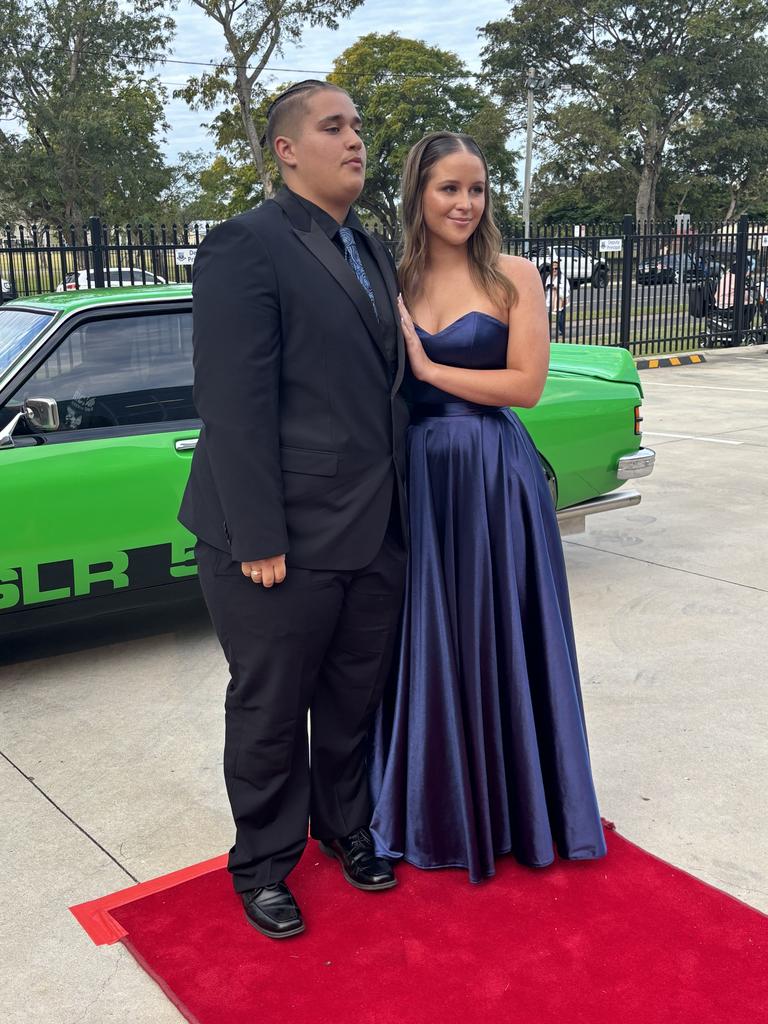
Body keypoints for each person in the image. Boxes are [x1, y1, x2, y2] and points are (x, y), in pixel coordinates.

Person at [179, 80, 409, 939]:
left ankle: (346, 829)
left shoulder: (370, 248)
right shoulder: (247, 245)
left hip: (375, 528)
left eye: (358, 124)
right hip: (277, 539)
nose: (355, 139)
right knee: (272, 709)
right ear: (285, 149)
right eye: (334, 126)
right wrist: (258, 535)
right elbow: (233, 403)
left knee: (353, 699)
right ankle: (264, 864)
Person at [369, 131, 607, 883]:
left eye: (476, 189)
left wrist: (429, 365)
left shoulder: (514, 276)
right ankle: (435, 806)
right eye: (449, 188)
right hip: (422, 481)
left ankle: (522, 807)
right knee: (430, 638)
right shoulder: (394, 278)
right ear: (419, 194)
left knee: (504, 630)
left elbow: (525, 385)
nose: (466, 203)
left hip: (494, 475)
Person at [544, 256, 570, 339]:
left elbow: (567, 287)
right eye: (553, 268)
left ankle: (561, 331)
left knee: (560, 318)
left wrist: (557, 287)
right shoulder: (549, 277)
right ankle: (547, 332)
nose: (554, 270)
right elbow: (546, 286)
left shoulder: (562, 277)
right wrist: (549, 286)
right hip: (550, 300)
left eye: (556, 268)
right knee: (548, 317)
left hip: (559, 300)